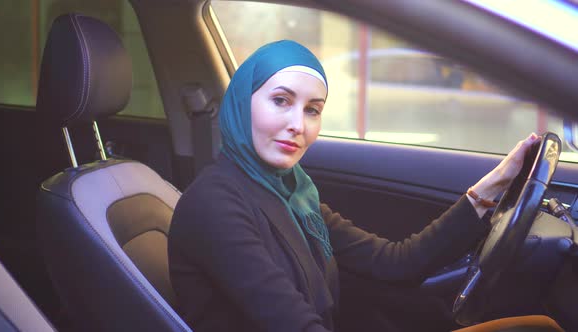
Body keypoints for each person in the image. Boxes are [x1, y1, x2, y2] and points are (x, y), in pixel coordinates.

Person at [167, 40, 562, 332]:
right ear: (242, 103)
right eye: (281, 101)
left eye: (312, 110)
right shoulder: (214, 204)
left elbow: (395, 261)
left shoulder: (292, 191)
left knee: (538, 326)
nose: (298, 124)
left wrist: (496, 185)